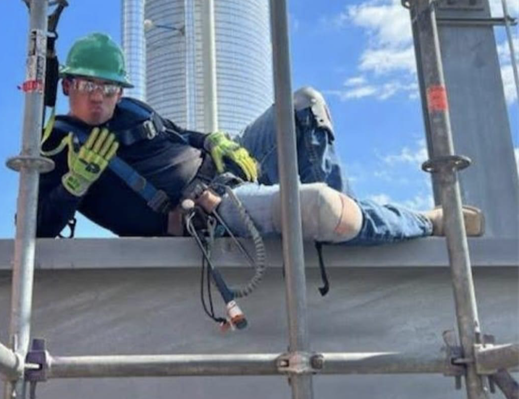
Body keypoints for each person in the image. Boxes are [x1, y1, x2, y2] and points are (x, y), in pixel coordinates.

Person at [36, 33, 485, 244]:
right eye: (90, 86)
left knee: (305, 104)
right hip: (204, 209)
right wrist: (74, 186)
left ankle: (351, 235)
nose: (100, 98)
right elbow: (35, 229)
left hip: (234, 165)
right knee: (319, 207)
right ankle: (423, 222)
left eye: (109, 87)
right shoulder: (56, 145)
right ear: (68, 85)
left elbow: (178, 135)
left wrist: (213, 138)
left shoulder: (132, 109)